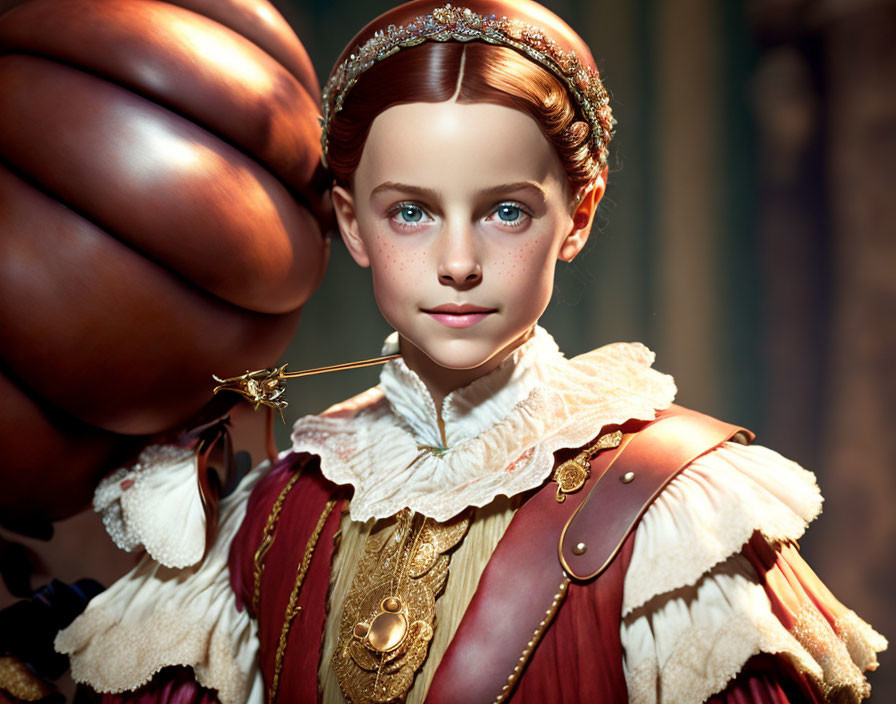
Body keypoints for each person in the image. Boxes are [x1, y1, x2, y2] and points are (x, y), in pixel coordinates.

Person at [53, 1, 886, 702]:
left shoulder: (680, 511)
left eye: (506, 211)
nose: (457, 263)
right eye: (411, 212)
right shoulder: (276, 513)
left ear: (580, 215)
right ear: (351, 223)